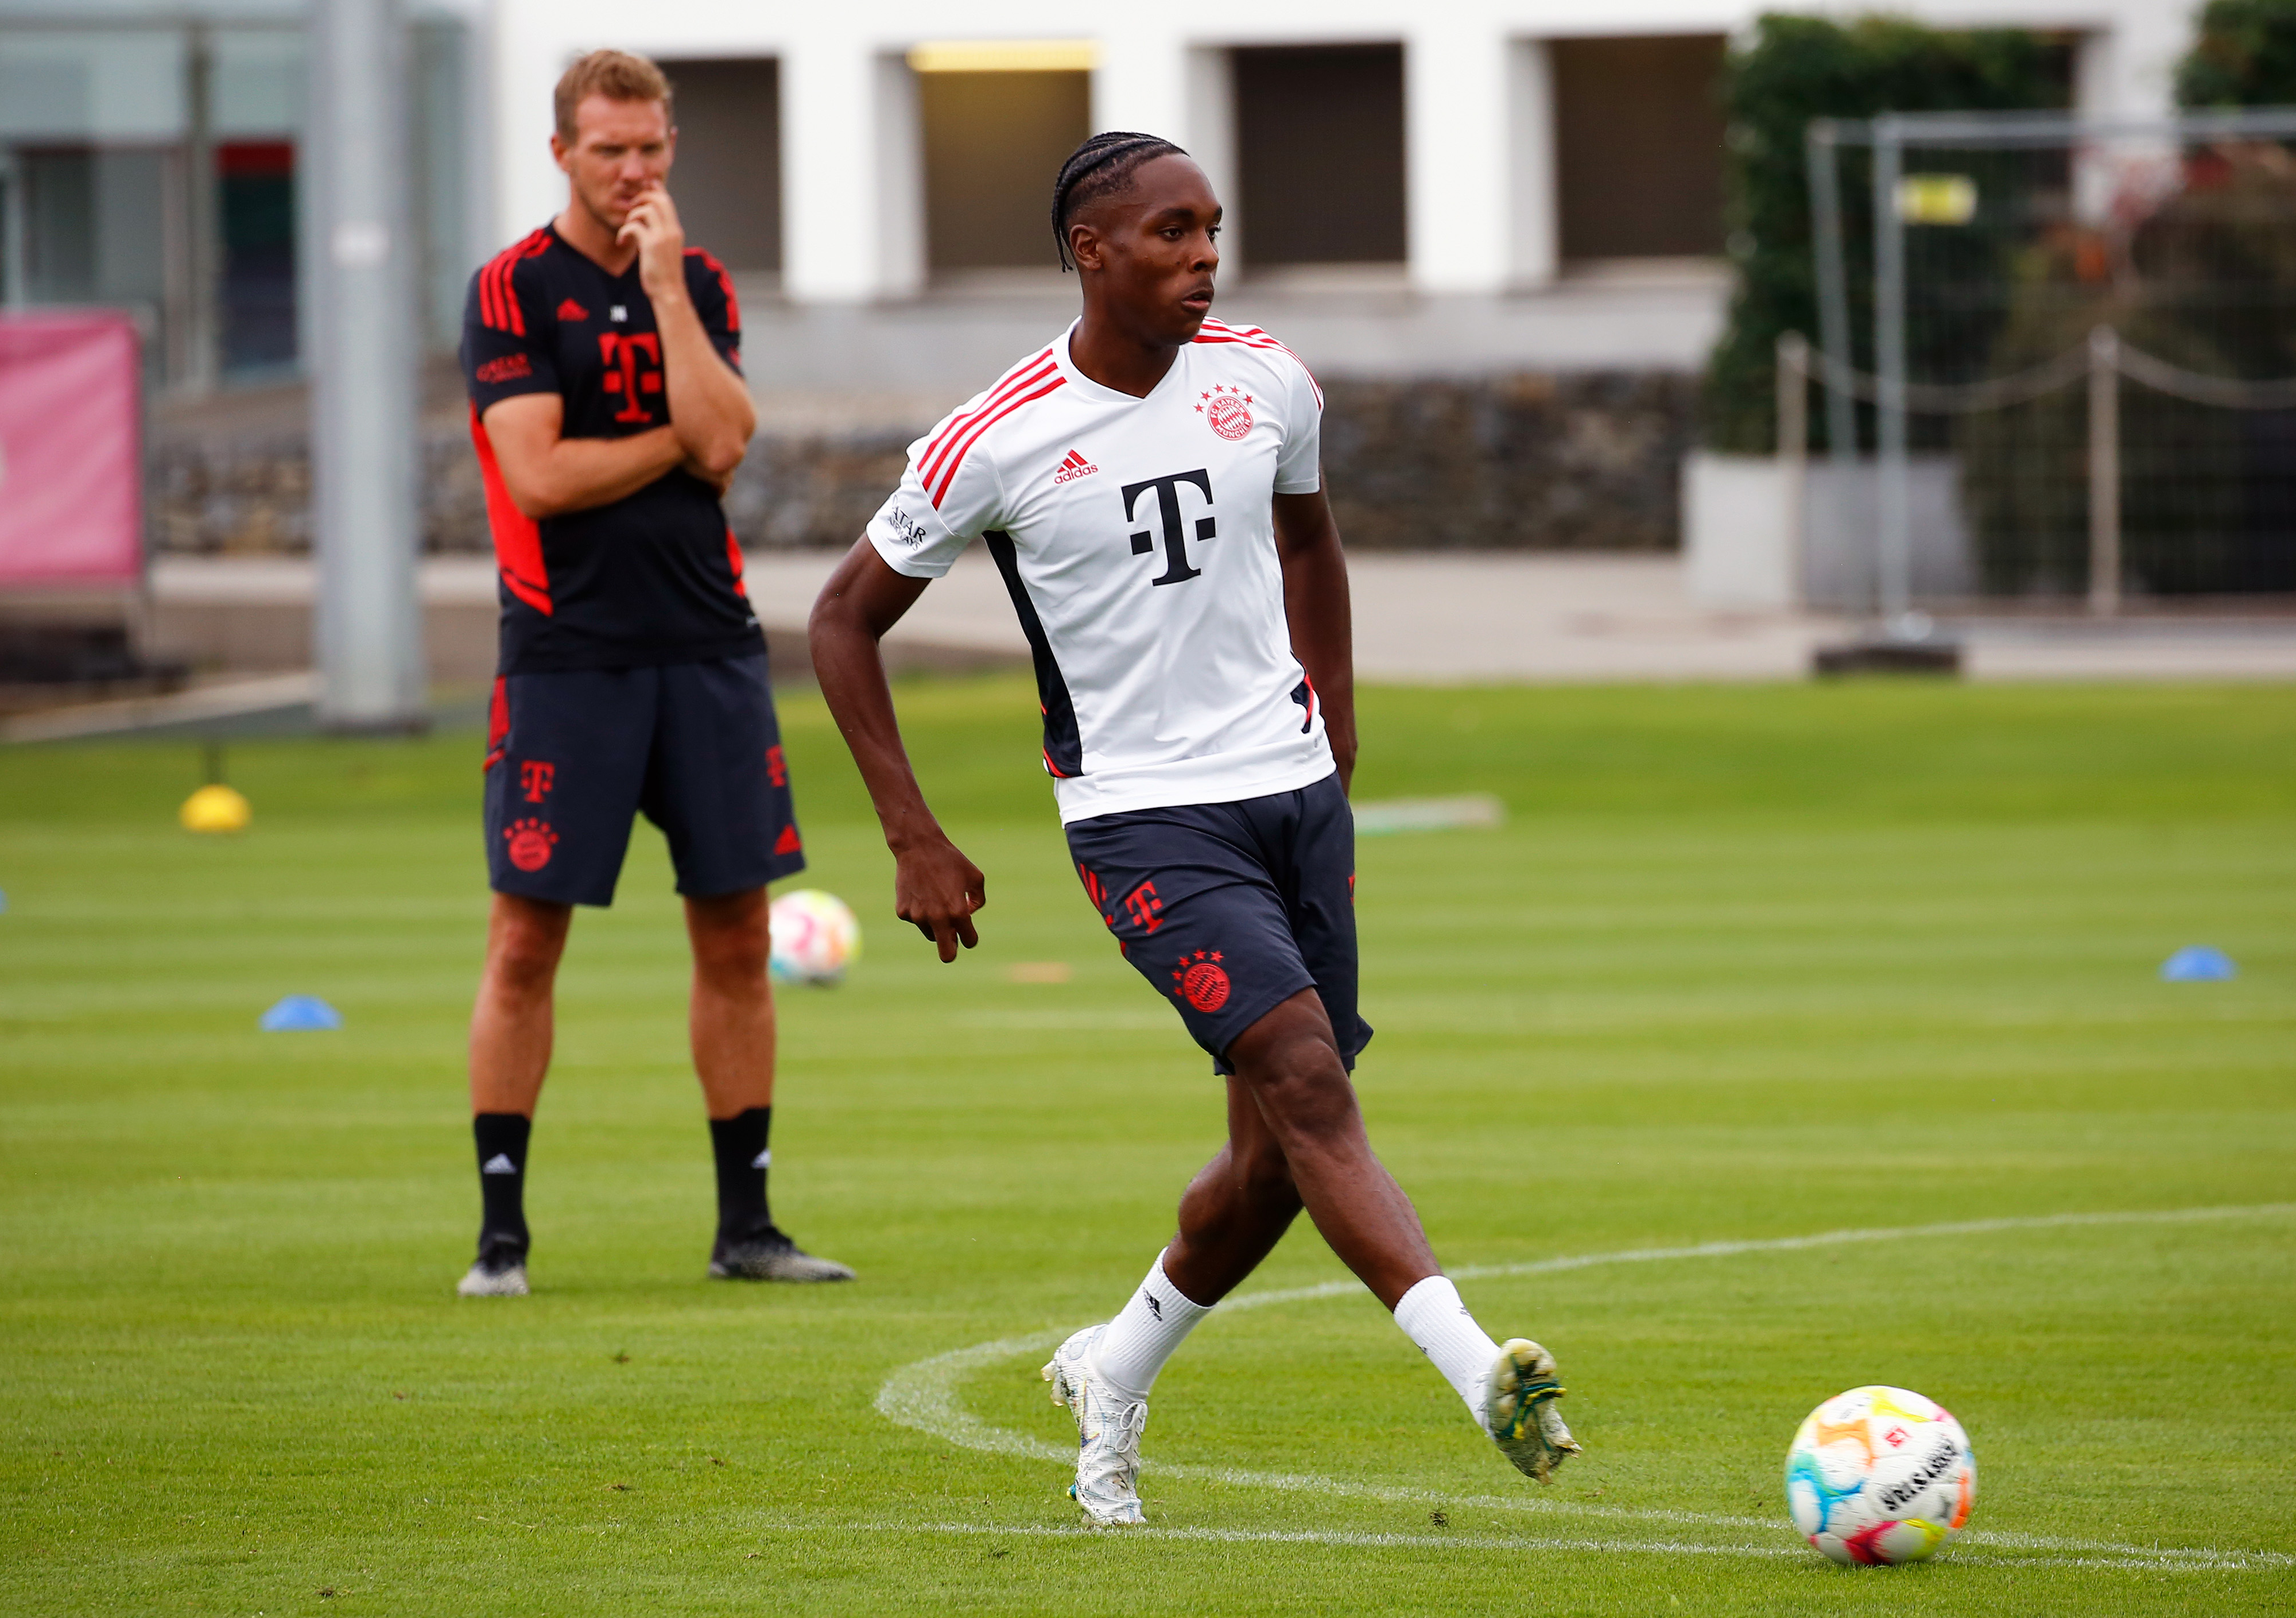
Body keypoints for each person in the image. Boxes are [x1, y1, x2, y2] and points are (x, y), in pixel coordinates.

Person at [807, 133, 1578, 1526]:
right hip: (1143, 820)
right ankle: (1483, 1369)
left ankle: (1114, 1368)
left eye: (1212, 228)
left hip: (1289, 794)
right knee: (1311, 1082)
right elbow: (840, 618)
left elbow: (1310, 540)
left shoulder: (1264, 375)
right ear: (1090, 251)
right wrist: (913, 832)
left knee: (1275, 1157)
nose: (1202, 256)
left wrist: (1333, 714)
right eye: (1170, 233)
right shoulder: (996, 436)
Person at [453, 50, 848, 1297]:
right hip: (569, 653)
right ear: (561, 151)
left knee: (736, 931)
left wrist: (671, 293)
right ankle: (501, 1236)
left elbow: (727, 445)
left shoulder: (702, 279)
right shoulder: (512, 289)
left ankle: (749, 1228)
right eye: (610, 149)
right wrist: (676, 440)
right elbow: (542, 479)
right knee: (527, 940)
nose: (634, 171)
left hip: (711, 646)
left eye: (652, 148)